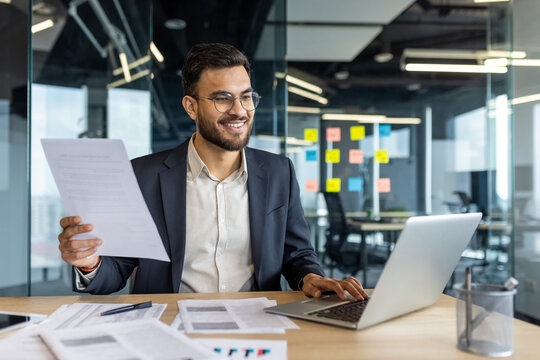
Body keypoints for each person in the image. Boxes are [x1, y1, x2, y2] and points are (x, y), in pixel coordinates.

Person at [57, 43, 367, 301]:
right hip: (169, 324)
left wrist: (310, 277)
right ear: (191, 107)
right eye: (222, 98)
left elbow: (297, 254)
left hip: (260, 323)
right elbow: (118, 268)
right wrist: (89, 262)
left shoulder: (278, 172)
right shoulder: (143, 176)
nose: (239, 110)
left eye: (246, 96)